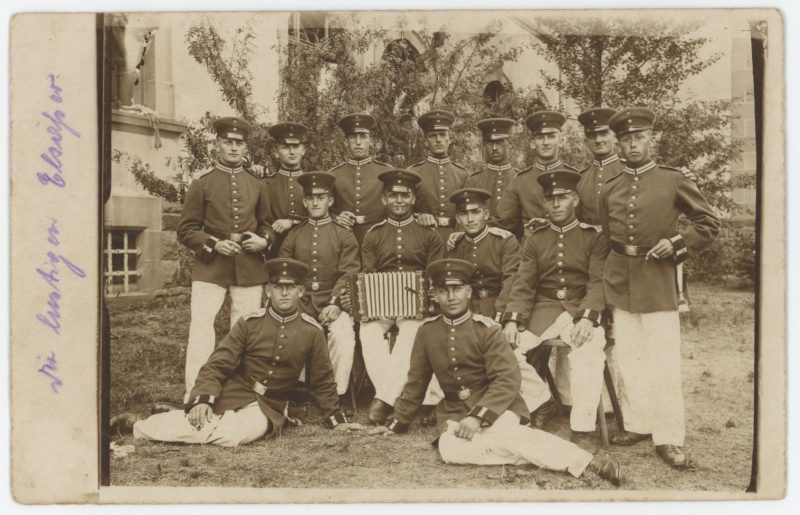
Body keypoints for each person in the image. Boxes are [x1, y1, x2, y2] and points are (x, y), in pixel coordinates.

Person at [369, 258, 621, 486]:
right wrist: (396, 424)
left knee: (503, 433)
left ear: (469, 291)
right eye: (443, 291)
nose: (451, 296)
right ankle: (533, 452)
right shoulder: (427, 332)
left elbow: (507, 380)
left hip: (501, 406)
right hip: (455, 411)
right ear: (434, 294)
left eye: (457, 289)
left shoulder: (487, 329)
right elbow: (416, 382)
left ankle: (585, 462)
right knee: (451, 452)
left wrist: (478, 417)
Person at [113, 259, 364, 446]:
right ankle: (137, 425)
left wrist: (336, 420)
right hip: (234, 393)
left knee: (233, 436)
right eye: (278, 287)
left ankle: (168, 419)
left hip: (270, 405)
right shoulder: (250, 322)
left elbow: (322, 380)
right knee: (203, 418)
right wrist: (203, 399)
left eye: (291, 287)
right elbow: (217, 365)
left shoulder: (312, 331)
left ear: (301, 291)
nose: (284, 292)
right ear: (268, 290)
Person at [599, 107, 720, 468]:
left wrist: (678, 244)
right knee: (630, 360)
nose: (633, 145)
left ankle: (669, 437)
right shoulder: (611, 187)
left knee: (663, 363)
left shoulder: (673, 180)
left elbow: (708, 222)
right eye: (626, 140)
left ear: (651, 140)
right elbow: (608, 237)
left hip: (657, 280)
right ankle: (638, 423)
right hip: (621, 280)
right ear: (618, 144)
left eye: (639, 138)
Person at [502, 170, 609, 443]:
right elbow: (523, 284)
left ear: (574, 199)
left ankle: (583, 428)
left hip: (579, 309)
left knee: (588, 351)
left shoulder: (592, 238)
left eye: (562, 198)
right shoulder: (536, 239)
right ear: (544, 204)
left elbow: (598, 283)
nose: (556, 204)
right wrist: (512, 320)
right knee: (502, 348)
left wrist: (588, 318)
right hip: (544, 309)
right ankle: (542, 401)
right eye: (550, 199)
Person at [176, 116, 274, 400]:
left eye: (239, 143)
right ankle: (195, 391)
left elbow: (266, 224)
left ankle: (239, 391)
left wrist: (264, 240)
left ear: (246, 147)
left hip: (249, 267)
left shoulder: (257, 184)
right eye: (227, 142)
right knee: (202, 325)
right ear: (217, 144)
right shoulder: (203, 183)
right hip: (211, 266)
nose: (233, 148)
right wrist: (212, 244)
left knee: (246, 329)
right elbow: (186, 229)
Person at [447, 187, 552, 417]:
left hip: (498, 305)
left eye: (476, 212)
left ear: (486, 214)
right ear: (457, 218)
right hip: (470, 308)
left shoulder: (504, 240)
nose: (470, 218)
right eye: (464, 214)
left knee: (502, 347)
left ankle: (541, 401)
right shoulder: (455, 244)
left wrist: (501, 315)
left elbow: (511, 279)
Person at [360, 169, 445, 425]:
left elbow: (436, 274)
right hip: (383, 303)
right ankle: (395, 395)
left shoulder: (429, 234)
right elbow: (368, 274)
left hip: (415, 304)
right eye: (393, 196)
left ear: (413, 199)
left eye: (404, 196)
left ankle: (385, 399)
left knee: (411, 333)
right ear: (384, 199)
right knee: (367, 330)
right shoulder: (373, 234)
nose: (399, 201)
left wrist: (427, 299)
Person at [279, 172, 361, 412]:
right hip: (300, 301)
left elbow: (349, 272)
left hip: (333, 301)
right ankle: (294, 390)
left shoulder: (343, 233)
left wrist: (335, 302)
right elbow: (286, 271)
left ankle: (336, 393)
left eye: (321, 197)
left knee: (343, 333)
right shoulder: (294, 234)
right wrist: (293, 302)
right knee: (287, 330)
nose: (315, 203)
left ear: (331, 201)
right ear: (304, 202)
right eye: (310, 198)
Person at [496, 110, 580, 238]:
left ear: (561, 140)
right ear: (532, 143)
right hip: (531, 250)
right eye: (540, 137)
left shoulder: (575, 177)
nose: (546, 142)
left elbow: (587, 220)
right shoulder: (520, 181)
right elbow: (503, 221)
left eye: (551, 136)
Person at [328, 112, 393, 243]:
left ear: (371, 141)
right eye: (353, 137)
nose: (358, 142)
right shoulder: (333, 175)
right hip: (343, 236)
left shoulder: (386, 172)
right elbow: (325, 209)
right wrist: (336, 217)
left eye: (363, 137)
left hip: (379, 237)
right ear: (346, 142)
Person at [408, 109, 470, 240]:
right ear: (425, 141)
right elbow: (402, 208)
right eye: (432, 135)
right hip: (422, 236)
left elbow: (468, 210)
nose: (438, 140)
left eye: (442, 135)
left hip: (456, 237)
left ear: (450, 139)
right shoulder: (413, 173)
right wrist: (418, 216)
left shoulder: (463, 174)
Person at [263, 122, 310, 254]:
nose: (291, 152)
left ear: (303, 150)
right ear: (276, 153)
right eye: (285, 147)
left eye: (296, 146)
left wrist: (293, 222)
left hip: (308, 248)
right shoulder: (265, 183)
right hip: (274, 249)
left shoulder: (312, 182)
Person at [576, 107, 625, 226]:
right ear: (586, 140)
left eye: (604, 133)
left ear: (615, 137)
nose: (598, 140)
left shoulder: (629, 171)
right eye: (592, 135)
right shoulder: (580, 178)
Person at [464, 118, 519, 222]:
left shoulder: (519, 178)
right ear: (484, 145)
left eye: (499, 142)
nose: (494, 148)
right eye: (490, 143)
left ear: (510, 144)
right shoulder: (474, 180)